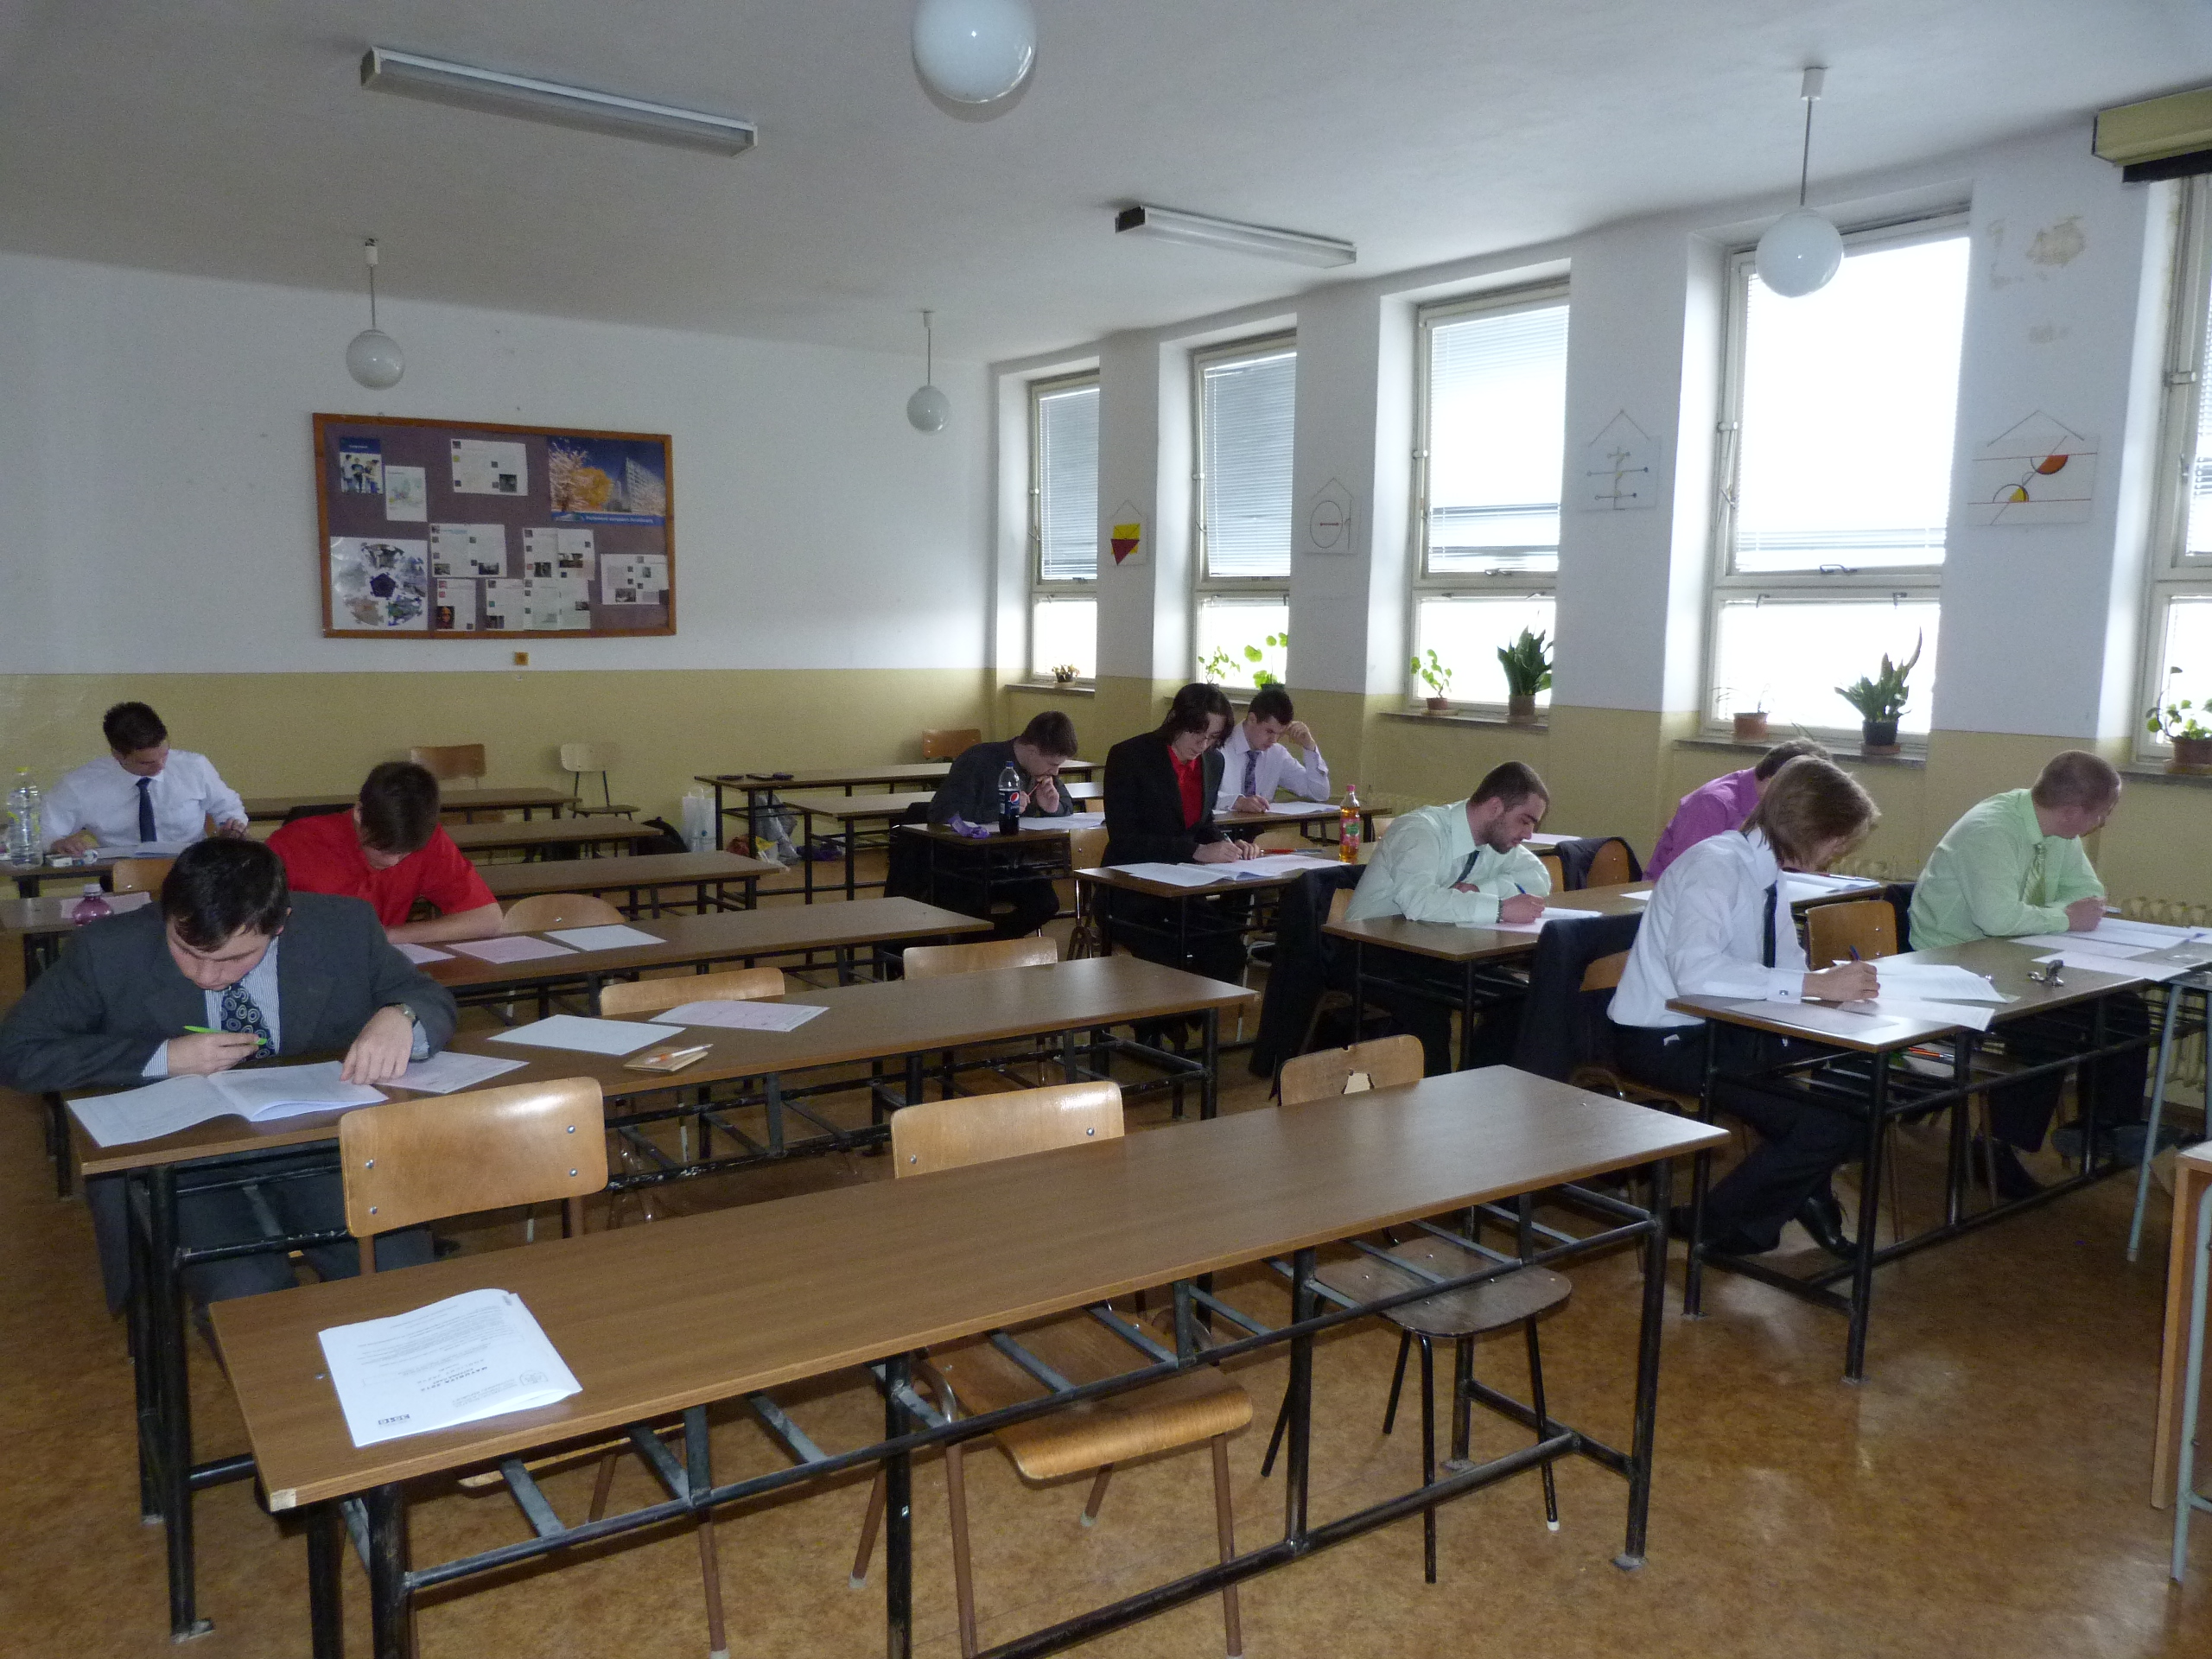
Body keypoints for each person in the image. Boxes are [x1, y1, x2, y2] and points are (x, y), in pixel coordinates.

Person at [0, 839, 460, 1306]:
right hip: (183, 1160)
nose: (206, 976)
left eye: (233, 958)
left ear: (279, 924)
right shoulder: (109, 949)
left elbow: (428, 998)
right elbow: (17, 1051)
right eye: (186, 950)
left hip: (316, 1146)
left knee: (400, 1272)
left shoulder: (343, 927)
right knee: (248, 1293)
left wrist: (401, 1015)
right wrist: (162, 1058)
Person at [1609, 755, 1880, 1259]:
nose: (1837, 854)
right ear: (1808, 830)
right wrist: (1811, 986)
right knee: (1825, 1124)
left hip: (1728, 1027)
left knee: (1863, 1096)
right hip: (1666, 1037)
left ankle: (1780, 1206)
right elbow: (1695, 976)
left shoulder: (1767, 872)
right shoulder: (1714, 866)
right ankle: (1711, 1222)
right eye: (1837, 841)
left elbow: (1787, 964)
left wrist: (1831, 994)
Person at [1909, 750, 2145, 1198]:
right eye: (2102, 813)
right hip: (1951, 963)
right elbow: (1998, 919)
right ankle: (1994, 1148)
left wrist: (2058, 914)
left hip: (2012, 956)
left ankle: (2103, 1128)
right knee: (2054, 1020)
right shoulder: (1992, 830)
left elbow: (2087, 892)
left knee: (2125, 1010)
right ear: (2072, 811)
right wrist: (2064, 917)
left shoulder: (2056, 830)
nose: (2102, 822)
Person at [1343, 762, 1554, 1071]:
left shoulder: (1495, 842)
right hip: (1369, 949)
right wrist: (1499, 907)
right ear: (1495, 807)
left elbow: (1539, 879)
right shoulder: (1421, 830)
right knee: (1428, 1012)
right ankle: (1435, 1098)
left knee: (1518, 999)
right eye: (1525, 820)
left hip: (1431, 949)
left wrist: (1481, 889)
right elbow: (1418, 901)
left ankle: (1476, 1087)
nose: (1529, 833)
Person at [1103, 683, 1253, 982]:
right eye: (1197, 733)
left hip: (1182, 892)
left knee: (1229, 953)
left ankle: (1199, 1009)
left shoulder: (1213, 762)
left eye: (1213, 737)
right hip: (1131, 892)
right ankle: (1165, 1012)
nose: (1203, 744)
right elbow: (1125, 838)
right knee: (1169, 958)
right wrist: (1195, 851)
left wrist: (1227, 845)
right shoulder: (1129, 756)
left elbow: (1203, 823)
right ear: (1175, 720)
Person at [267, 761, 503, 945]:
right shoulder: (293, 845)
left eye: (405, 854)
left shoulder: (426, 839)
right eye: (383, 848)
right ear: (359, 813)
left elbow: (487, 919)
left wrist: (387, 935)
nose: (393, 862)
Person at [921, 712, 1079, 938]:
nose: (1056, 772)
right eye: (1053, 764)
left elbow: (1066, 805)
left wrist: (1052, 808)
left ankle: (992, 943)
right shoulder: (979, 760)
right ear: (1032, 750)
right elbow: (941, 812)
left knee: (1046, 901)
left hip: (1008, 864)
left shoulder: (1040, 771)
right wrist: (1001, 810)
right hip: (964, 863)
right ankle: (977, 946)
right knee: (971, 905)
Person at [42, 701, 248, 854]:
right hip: (119, 873)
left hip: (191, 868)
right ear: (117, 755)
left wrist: (231, 829)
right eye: (146, 763)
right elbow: (42, 831)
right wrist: (56, 843)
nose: (160, 766)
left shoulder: (194, 766)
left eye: (164, 754)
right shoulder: (81, 785)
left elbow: (228, 807)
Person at [1646, 739, 1832, 880]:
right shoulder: (1712, 803)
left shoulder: (1771, 801)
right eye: (1800, 795)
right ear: (1774, 782)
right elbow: (1691, 873)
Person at [1213, 685, 1331, 815]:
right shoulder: (1217, 746)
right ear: (1252, 719)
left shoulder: (1277, 754)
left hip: (1261, 827)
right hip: (1220, 826)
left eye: (1280, 734)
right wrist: (1236, 802)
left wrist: (1310, 746)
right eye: (1269, 731)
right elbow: (1198, 797)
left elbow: (1319, 794)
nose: (1274, 740)